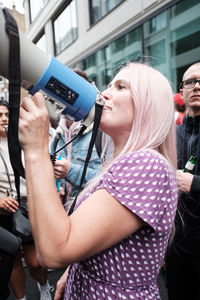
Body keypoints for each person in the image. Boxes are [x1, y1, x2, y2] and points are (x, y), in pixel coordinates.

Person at [18, 61, 178, 300]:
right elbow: (95, 237)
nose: (104, 94)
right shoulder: (123, 163)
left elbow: (52, 252)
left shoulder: (148, 164)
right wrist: (73, 270)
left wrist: (35, 150)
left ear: (149, 105)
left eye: (121, 87)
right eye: (110, 85)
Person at [0, 99, 52, 300]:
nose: (4, 119)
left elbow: (43, 164)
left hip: (28, 207)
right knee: (12, 260)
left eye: (7, 114)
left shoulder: (23, 138)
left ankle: (44, 287)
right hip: (3, 211)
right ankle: (22, 298)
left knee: (35, 262)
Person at [166, 62, 200, 300]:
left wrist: (195, 184)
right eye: (190, 81)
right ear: (182, 91)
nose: (197, 86)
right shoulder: (171, 135)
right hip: (176, 247)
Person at [50, 69, 102, 210]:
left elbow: (110, 181)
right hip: (64, 212)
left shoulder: (101, 133)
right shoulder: (57, 136)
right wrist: (57, 188)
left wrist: (70, 171)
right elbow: (50, 172)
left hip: (89, 212)